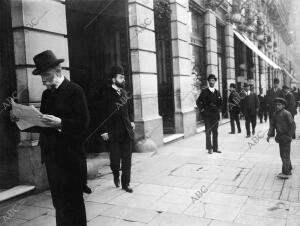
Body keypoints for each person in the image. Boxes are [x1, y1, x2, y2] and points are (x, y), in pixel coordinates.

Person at [10, 50, 90, 225]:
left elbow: (84, 124)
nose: (44, 80)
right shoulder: (47, 95)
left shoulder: (75, 90)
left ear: (58, 71)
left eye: (46, 75)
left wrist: (61, 123)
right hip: (53, 158)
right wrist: (22, 120)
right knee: (59, 203)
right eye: (41, 77)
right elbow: (44, 125)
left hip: (72, 159)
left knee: (74, 204)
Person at [100, 66, 135, 193]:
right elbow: (101, 114)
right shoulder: (106, 93)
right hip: (113, 133)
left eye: (124, 77)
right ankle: (116, 174)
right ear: (113, 79)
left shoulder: (125, 93)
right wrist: (103, 131)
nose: (123, 80)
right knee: (115, 162)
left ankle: (126, 184)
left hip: (126, 132)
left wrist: (131, 121)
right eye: (121, 77)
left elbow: (129, 109)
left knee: (127, 160)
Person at [267, 97, 296, 179]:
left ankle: (286, 172)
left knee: (285, 155)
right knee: (283, 154)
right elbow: (272, 126)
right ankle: (288, 168)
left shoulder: (286, 113)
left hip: (286, 136)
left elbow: (293, 125)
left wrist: (289, 135)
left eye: (279, 105)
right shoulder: (275, 114)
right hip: (280, 136)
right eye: (276, 105)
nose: (277, 106)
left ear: (283, 106)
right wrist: (269, 135)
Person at [196, 74, 223, 154]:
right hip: (207, 116)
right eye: (210, 80)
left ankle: (215, 148)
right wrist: (203, 110)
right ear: (208, 82)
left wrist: (219, 110)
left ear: (215, 82)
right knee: (208, 132)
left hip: (215, 116)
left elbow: (221, 103)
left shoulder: (217, 92)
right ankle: (209, 148)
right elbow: (198, 102)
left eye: (213, 80)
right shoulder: (204, 92)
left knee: (215, 132)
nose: (211, 82)